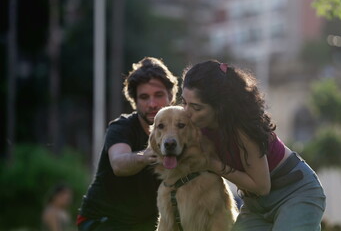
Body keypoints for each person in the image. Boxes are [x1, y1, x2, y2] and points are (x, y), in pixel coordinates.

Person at [181, 60, 326, 231]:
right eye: (184, 103)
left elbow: (262, 186)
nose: (187, 112)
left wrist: (212, 164)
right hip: (255, 204)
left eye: (196, 108)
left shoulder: (243, 128)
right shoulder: (194, 125)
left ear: (219, 108)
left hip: (294, 192)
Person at [77, 57, 178, 231]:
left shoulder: (182, 132)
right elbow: (119, 163)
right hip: (102, 220)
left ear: (171, 96)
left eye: (159, 95)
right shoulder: (122, 127)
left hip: (147, 223)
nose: (152, 104)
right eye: (144, 97)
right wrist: (145, 156)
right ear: (135, 101)